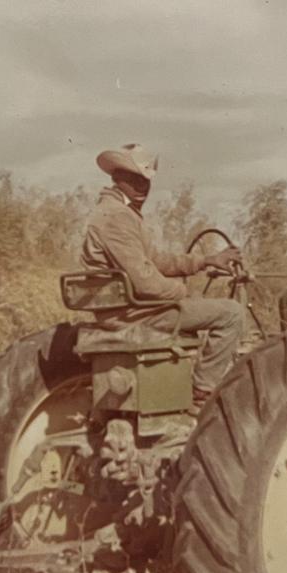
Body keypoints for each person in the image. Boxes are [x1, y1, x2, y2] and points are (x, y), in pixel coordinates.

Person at [81, 143, 245, 413]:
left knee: (208, 309)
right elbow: (145, 281)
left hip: (127, 309)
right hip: (134, 314)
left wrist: (204, 261)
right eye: (134, 179)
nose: (143, 186)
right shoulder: (117, 218)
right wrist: (182, 293)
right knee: (232, 314)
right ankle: (202, 392)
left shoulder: (120, 213)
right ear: (117, 178)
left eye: (146, 180)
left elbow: (156, 261)